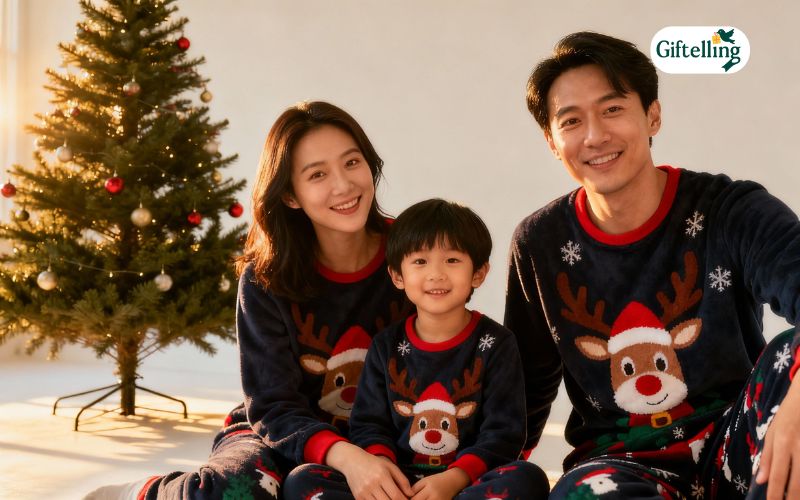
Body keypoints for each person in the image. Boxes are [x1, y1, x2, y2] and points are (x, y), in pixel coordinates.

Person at [504, 31, 800, 499]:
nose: (596, 135)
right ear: (551, 140)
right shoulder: (539, 243)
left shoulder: (731, 209)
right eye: (572, 120)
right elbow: (520, 397)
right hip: (619, 465)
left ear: (653, 116)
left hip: (736, 445)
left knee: (793, 356)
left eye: (613, 109)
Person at [85, 101, 413, 500]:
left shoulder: (415, 254)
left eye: (352, 163)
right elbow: (272, 406)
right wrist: (345, 457)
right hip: (281, 429)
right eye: (318, 174)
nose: (343, 186)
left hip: (385, 430)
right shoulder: (265, 277)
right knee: (236, 491)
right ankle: (148, 493)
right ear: (291, 196)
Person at [284, 198, 549, 499]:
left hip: (466, 483)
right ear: (398, 276)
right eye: (420, 262)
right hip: (396, 482)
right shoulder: (385, 346)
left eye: (452, 260)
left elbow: (504, 434)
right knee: (303, 480)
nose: (436, 274)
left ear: (479, 273)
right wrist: (383, 471)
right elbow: (369, 424)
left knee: (528, 478)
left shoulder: (497, 344)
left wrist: (453, 480)